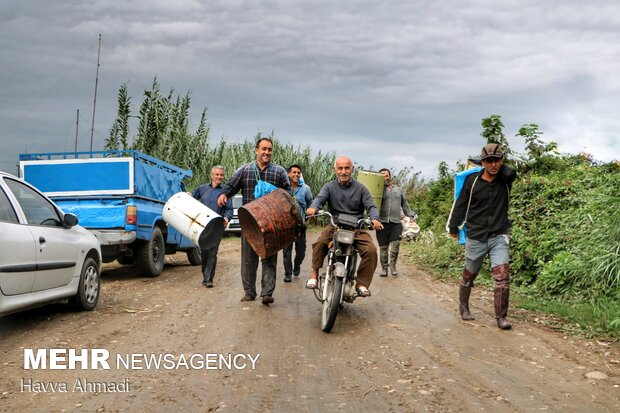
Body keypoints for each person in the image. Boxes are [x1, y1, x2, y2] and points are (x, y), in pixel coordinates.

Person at [447, 143, 517, 330]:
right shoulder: (472, 181)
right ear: (483, 162)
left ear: (502, 161)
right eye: (489, 161)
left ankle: (501, 317)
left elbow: (511, 172)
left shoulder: (505, 179)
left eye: (497, 160)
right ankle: (463, 306)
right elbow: (461, 204)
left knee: (502, 277)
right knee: (469, 275)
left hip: (499, 235)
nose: (493, 165)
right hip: (476, 236)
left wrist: (499, 165)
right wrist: (454, 227)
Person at [217, 137, 291, 305]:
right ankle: (249, 292)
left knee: (269, 257)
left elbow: (288, 193)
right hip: (249, 222)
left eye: (269, 149)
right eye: (263, 149)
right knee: (248, 259)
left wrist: (276, 194)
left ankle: (267, 293)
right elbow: (230, 186)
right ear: (256, 150)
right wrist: (223, 195)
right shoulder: (245, 170)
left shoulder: (278, 172)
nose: (267, 152)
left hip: (271, 223)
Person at [305, 156, 383, 297]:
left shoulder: (361, 189)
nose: (343, 171)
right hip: (335, 225)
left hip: (356, 227)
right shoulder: (329, 187)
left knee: (371, 250)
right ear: (335, 170)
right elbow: (319, 199)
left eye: (347, 168)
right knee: (321, 242)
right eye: (340, 168)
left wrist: (375, 219)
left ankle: (362, 284)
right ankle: (314, 273)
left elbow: (371, 206)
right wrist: (313, 208)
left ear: (352, 169)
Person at [192, 165, 233, 288]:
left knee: (212, 252)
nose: (219, 177)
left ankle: (209, 279)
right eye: (217, 174)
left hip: (217, 226)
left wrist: (226, 218)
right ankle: (205, 274)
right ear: (212, 175)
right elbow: (191, 201)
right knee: (204, 251)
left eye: (221, 175)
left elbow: (229, 209)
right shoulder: (202, 189)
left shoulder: (225, 192)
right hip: (202, 226)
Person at [376, 168, 416, 276]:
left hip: (396, 222)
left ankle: (393, 266)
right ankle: (384, 269)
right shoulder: (378, 190)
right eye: (382, 175)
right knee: (383, 246)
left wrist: (410, 215)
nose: (385, 177)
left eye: (386, 175)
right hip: (382, 222)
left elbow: (405, 204)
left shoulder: (398, 190)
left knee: (396, 244)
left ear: (390, 176)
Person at [281, 164, 313, 282]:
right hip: (287, 226)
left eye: (298, 173)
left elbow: (310, 203)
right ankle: (288, 274)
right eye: (293, 172)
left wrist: (308, 218)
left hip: (300, 226)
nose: (296, 174)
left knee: (301, 251)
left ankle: (297, 265)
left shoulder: (306, 189)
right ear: (289, 174)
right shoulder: (283, 188)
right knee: (286, 251)